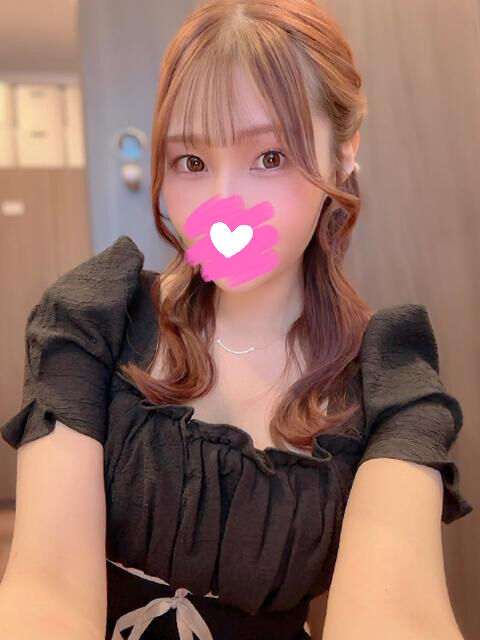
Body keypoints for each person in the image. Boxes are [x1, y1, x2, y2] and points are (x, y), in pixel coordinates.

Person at [0, 0, 473, 639]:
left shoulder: (387, 379)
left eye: (270, 157)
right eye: (192, 162)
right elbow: (46, 587)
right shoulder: (93, 321)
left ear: (343, 154)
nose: (224, 206)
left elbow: (397, 613)